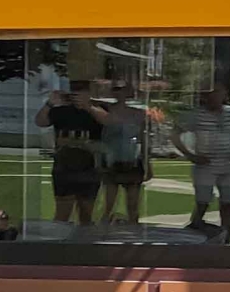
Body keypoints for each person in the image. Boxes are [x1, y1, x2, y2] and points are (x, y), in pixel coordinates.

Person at [174, 84, 230, 240]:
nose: (214, 97)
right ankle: (193, 237)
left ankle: (227, 241)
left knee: (228, 205)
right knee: (203, 203)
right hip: (205, 165)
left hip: (228, 164)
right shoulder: (196, 115)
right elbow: (175, 134)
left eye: (218, 93)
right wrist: (190, 155)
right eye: (210, 94)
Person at [36, 87, 104, 227]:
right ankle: (60, 244)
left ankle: (84, 244)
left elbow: (109, 121)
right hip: (64, 166)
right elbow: (40, 121)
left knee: (86, 214)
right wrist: (50, 103)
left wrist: (89, 106)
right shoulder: (61, 111)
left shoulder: (96, 111)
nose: (77, 96)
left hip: (88, 167)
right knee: (62, 213)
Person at [93, 90, 151, 230]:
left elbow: (143, 141)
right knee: (109, 203)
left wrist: (147, 163)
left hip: (131, 161)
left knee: (132, 204)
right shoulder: (105, 114)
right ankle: (105, 228)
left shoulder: (138, 114)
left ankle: (133, 230)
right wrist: (99, 161)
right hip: (112, 161)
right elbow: (100, 140)